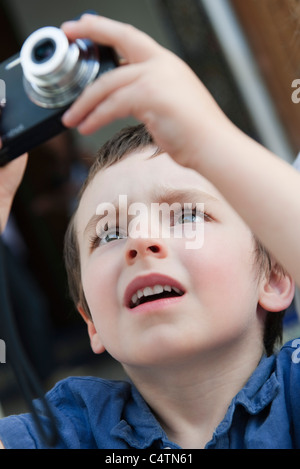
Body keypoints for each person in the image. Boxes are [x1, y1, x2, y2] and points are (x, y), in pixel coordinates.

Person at [0, 13, 300, 449]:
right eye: (108, 235)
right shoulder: (71, 430)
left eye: (188, 216)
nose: (140, 242)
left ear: (275, 275)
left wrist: (206, 138)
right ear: (91, 320)